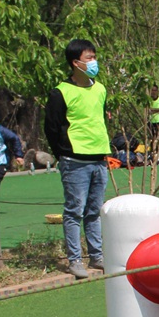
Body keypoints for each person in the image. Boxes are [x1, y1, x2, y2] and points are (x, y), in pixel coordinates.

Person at [45, 38, 108, 279]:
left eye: (94, 57)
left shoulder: (100, 89)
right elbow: (51, 127)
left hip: (99, 158)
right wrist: (62, 153)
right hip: (74, 161)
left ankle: (97, 255)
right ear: (75, 62)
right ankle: (75, 259)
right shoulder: (61, 92)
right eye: (88, 58)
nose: (93, 62)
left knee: (94, 211)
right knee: (74, 212)